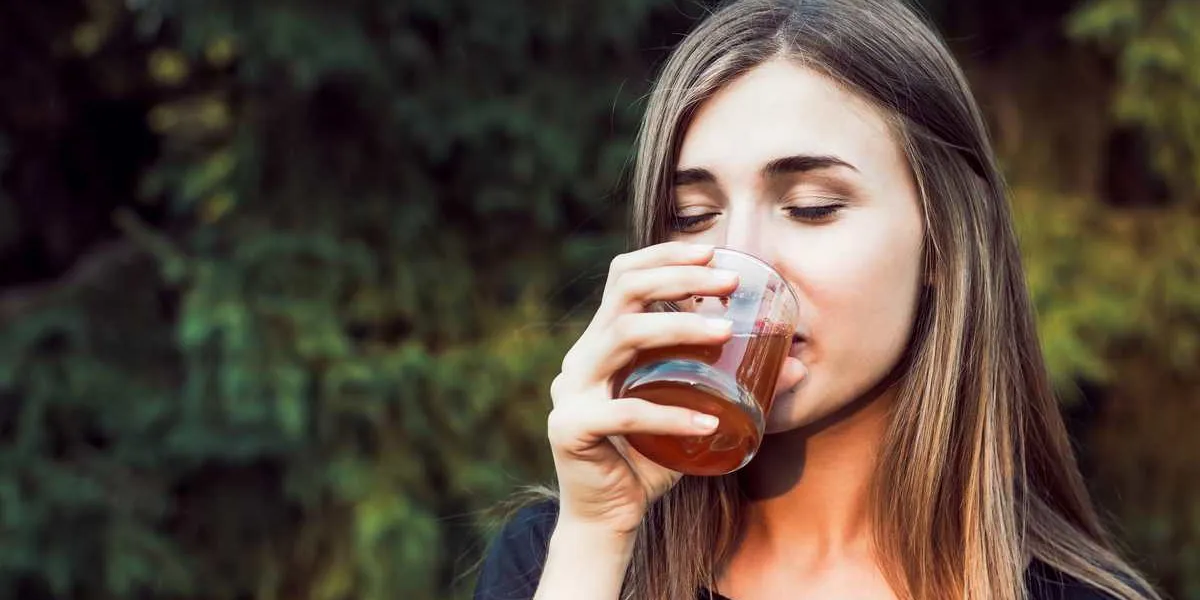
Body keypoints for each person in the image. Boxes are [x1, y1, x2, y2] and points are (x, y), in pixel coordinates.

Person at [474, 0, 1160, 598]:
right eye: (692, 215)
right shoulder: (562, 558)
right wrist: (597, 536)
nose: (740, 264)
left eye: (811, 207)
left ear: (945, 243)